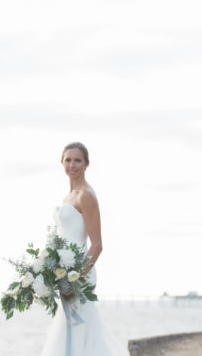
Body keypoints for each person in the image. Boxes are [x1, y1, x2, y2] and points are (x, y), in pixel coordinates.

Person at [40, 141, 129, 356]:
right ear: (62, 163)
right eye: (68, 160)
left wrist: (75, 279)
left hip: (79, 276)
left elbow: (97, 245)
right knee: (69, 334)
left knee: (82, 335)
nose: (72, 165)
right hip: (65, 276)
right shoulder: (68, 197)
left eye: (77, 160)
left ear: (86, 164)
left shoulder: (85, 196)